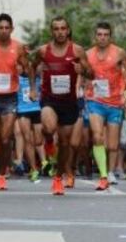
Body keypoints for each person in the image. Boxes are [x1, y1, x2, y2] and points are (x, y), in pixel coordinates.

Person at [32, 16, 93, 196]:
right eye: (56, 29)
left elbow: (92, 72)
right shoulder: (43, 51)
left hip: (69, 101)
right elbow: (31, 66)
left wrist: (82, 71)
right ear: (52, 31)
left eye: (63, 28)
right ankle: (49, 139)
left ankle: (58, 177)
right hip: (50, 99)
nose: (60, 32)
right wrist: (34, 88)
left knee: (66, 144)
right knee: (49, 128)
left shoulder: (77, 50)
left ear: (68, 31)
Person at [0, 13, 30, 191]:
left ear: (11, 29)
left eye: (6, 28)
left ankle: (1, 174)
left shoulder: (18, 47)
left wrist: (22, 67)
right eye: (0, 28)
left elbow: (25, 70)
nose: (3, 31)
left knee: (5, 139)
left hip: (10, 97)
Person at [85, 22, 126, 191]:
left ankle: (111, 171)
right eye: (99, 34)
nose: (102, 38)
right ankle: (103, 175)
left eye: (106, 35)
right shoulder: (88, 55)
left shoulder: (119, 52)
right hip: (95, 101)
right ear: (95, 36)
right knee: (98, 136)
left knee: (113, 145)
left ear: (110, 37)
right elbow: (84, 74)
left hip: (115, 102)